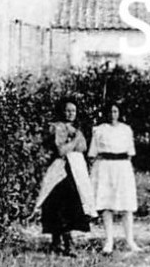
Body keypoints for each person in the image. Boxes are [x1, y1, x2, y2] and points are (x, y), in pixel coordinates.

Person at [33, 100, 95, 258]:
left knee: (71, 203)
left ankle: (64, 242)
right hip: (61, 169)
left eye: (73, 111)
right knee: (56, 203)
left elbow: (83, 148)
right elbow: (61, 150)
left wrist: (74, 143)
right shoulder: (57, 127)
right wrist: (73, 141)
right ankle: (62, 241)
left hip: (75, 169)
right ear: (62, 111)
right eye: (67, 111)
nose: (70, 114)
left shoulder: (77, 129)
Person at [88, 102, 139, 254]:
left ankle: (130, 240)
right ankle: (109, 240)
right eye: (110, 111)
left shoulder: (126, 129)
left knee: (126, 204)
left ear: (119, 113)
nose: (113, 114)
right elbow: (93, 153)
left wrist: (123, 167)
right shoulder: (99, 130)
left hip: (122, 167)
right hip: (105, 167)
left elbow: (130, 152)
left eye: (115, 111)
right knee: (106, 204)